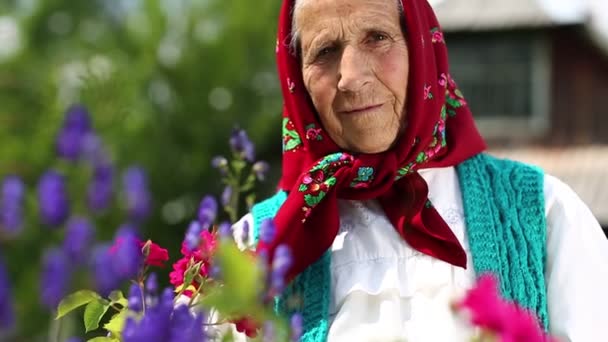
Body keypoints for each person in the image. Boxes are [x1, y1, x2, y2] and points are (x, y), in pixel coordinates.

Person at [230, 0, 608, 341]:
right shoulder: (251, 247)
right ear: (297, 77)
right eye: (324, 51)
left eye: (377, 37)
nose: (351, 76)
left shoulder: (544, 212)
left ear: (422, 49)